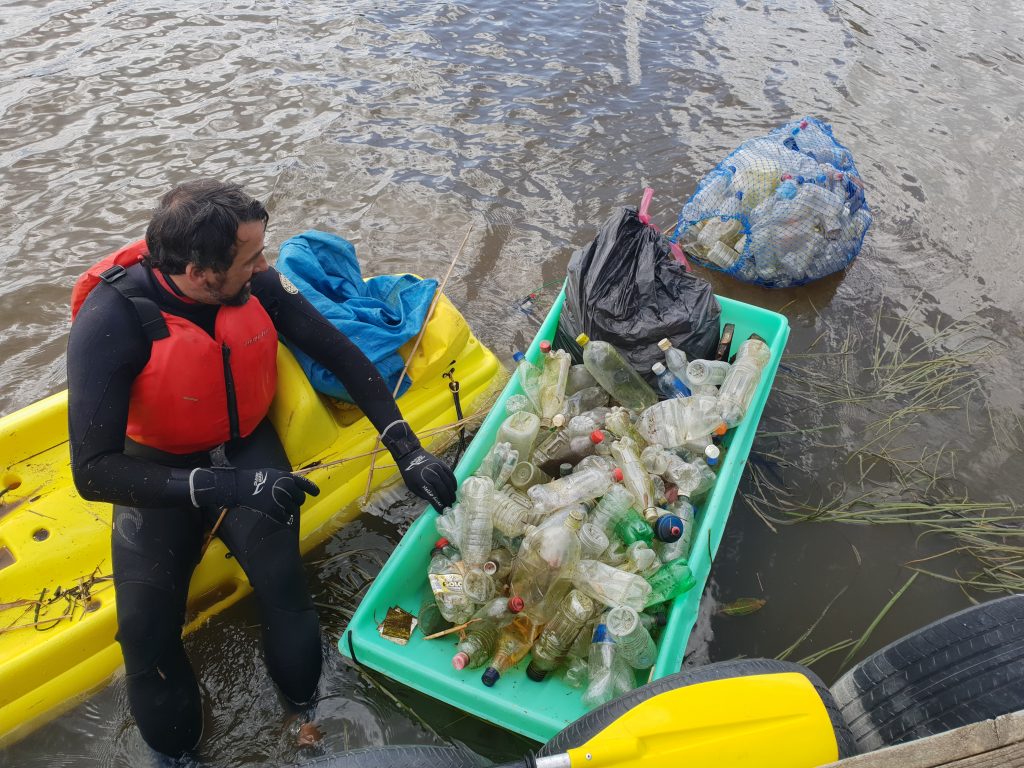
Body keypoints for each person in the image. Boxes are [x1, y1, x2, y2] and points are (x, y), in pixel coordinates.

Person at [66, 179, 458, 757]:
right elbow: (92, 472)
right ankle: (178, 758)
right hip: (158, 468)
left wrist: (407, 448)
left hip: (245, 447)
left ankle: (303, 720)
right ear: (200, 273)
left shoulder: (257, 284)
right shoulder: (112, 318)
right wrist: (227, 487)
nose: (266, 268)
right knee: (146, 638)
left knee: (284, 585)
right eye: (251, 259)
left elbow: (339, 352)